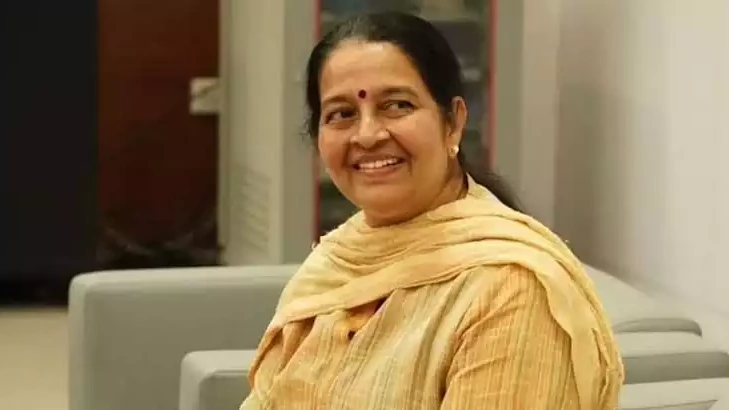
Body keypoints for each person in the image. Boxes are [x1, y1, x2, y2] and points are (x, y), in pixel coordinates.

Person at [240, 11, 623, 410]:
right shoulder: (335, 263)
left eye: (397, 105)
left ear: (453, 122)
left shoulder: (509, 290)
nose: (367, 135)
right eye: (342, 114)